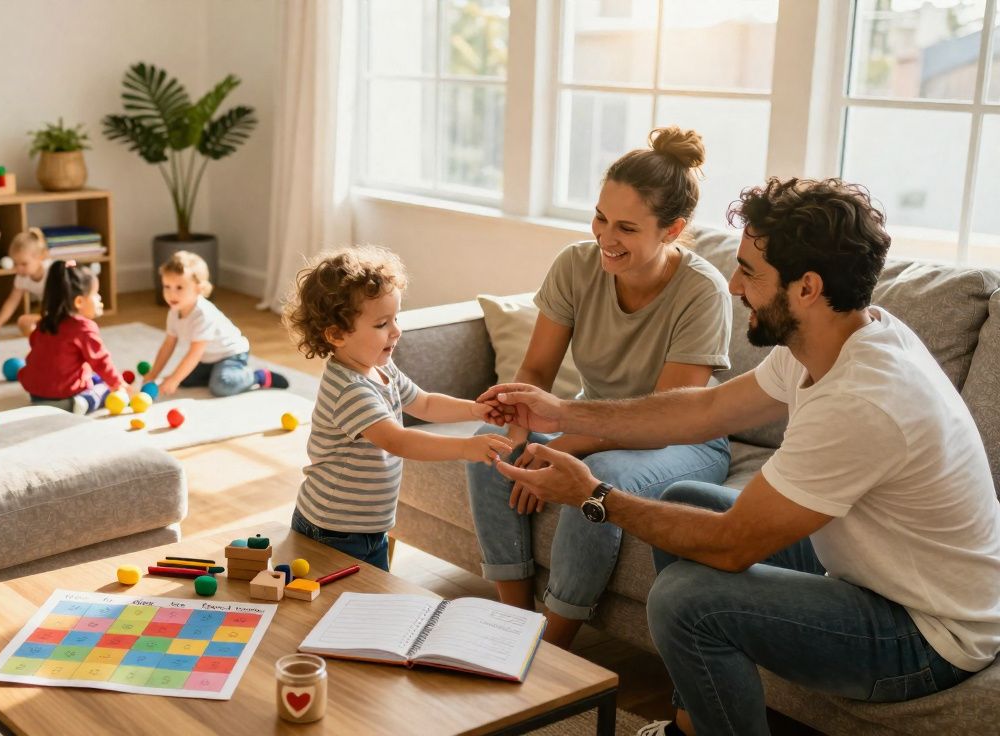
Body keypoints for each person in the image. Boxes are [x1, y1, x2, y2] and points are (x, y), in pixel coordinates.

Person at [483, 177, 1000, 736]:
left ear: (806, 288)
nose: (732, 285)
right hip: (875, 571)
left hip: (929, 633)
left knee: (687, 599)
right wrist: (563, 414)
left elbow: (732, 547)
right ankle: (690, 726)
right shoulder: (834, 340)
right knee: (685, 499)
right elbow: (702, 411)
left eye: (750, 271)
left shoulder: (863, 398)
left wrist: (592, 496)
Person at [466, 127, 733, 649]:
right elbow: (538, 371)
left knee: (598, 481)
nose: (606, 238)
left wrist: (561, 449)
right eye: (601, 218)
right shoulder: (576, 265)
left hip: (684, 439)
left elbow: (665, 420)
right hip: (592, 422)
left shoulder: (703, 293)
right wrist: (519, 423)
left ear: (673, 229)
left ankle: (549, 649)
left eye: (627, 228)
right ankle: (513, 627)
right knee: (491, 450)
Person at [283, 246, 514, 569]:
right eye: (381, 324)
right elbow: (398, 441)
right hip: (332, 529)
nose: (396, 331)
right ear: (336, 334)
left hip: (370, 527)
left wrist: (475, 410)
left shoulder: (381, 369)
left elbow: (426, 403)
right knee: (336, 609)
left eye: (396, 318)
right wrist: (465, 447)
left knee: (372, 605)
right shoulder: (349, 390)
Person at [141, 250, 288, 396]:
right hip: (208, 357)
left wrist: (174, 379)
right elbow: (168, 345)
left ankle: (259, 376)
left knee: (221, 386)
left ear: (199, 289)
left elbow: (194, 353)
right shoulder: (174, 311)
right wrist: (153, 374)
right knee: (185, 380)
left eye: (179, 287)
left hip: (231, 354)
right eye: (167, 286)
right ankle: (213, 373)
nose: (171, 294)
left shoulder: (203, 315)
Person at [18, 260, 126, 414]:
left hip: (35, 393)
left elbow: (36, 345)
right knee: (107, 388)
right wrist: (119, 384)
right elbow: (101, 361)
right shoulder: (84, 328)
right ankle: (79, 403)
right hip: (64, 393)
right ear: (79, 301)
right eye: (96, 294)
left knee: (95, 377)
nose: (99, 298)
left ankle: (50, 403)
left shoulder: (45, 321)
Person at [0, 226, 50, 336]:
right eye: (15, 264)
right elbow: (12, 301)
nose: (18, 268)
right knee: (23, 322)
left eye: (24, 264)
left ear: (41, 257)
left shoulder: (52, 271)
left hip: (72, 308)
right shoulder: (22, 277)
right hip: (51, 312)